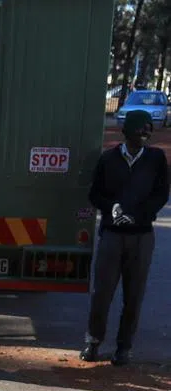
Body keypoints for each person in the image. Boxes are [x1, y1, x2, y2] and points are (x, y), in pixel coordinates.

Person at [81, 110, 169, 367]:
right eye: (140, 130)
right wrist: (112, 209)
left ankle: (124, 348)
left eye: (148, 130)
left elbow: (161, 194)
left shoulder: (156, 159)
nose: (145, 134)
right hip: (112, 235)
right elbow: (95, 194)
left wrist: (138, 214)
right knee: (102, 293)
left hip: (141, 236)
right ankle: (93, 342)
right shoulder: (108, 159)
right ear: (127, 132)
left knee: (134, 295)